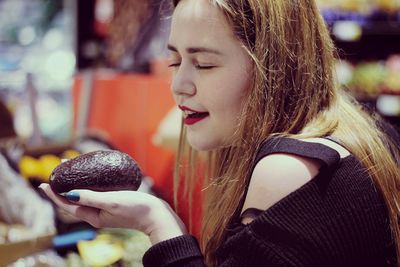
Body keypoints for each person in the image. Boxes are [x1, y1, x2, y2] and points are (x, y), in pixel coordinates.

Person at [40, 0, 400, 266]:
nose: (179, 85)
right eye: (175, 61)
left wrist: (157, 223)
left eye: (204, 64)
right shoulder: (361, 132)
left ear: (273, 67)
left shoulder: (287, 169)